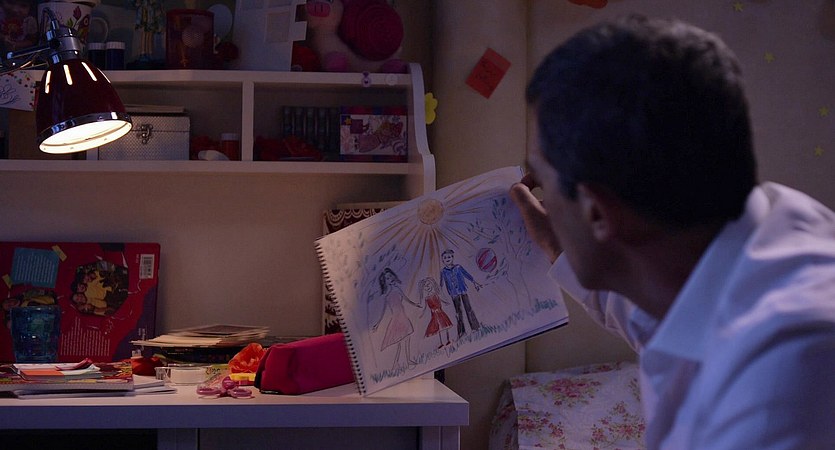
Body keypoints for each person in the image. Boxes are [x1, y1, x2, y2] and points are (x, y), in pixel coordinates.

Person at [510, 14, 835, 450]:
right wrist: (560, 244)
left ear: (597, 212)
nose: (539, 194)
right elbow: (647, 313)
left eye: (541, 179)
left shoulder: (784, 379)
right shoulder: (758, 233)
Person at [439, 249, 482, 337]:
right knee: (458, 312)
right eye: (445, 258)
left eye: (449, 257)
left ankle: (475, 327)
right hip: (454, 293)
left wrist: (474, 282)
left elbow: (466, 274)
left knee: (468, 309)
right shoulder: (443, 271)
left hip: (462, 290)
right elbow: (441, 283)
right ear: (442, 260)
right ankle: (462, 332)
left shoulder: (458, 267)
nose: (447, 259)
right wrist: (440, 295)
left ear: (452, 258)